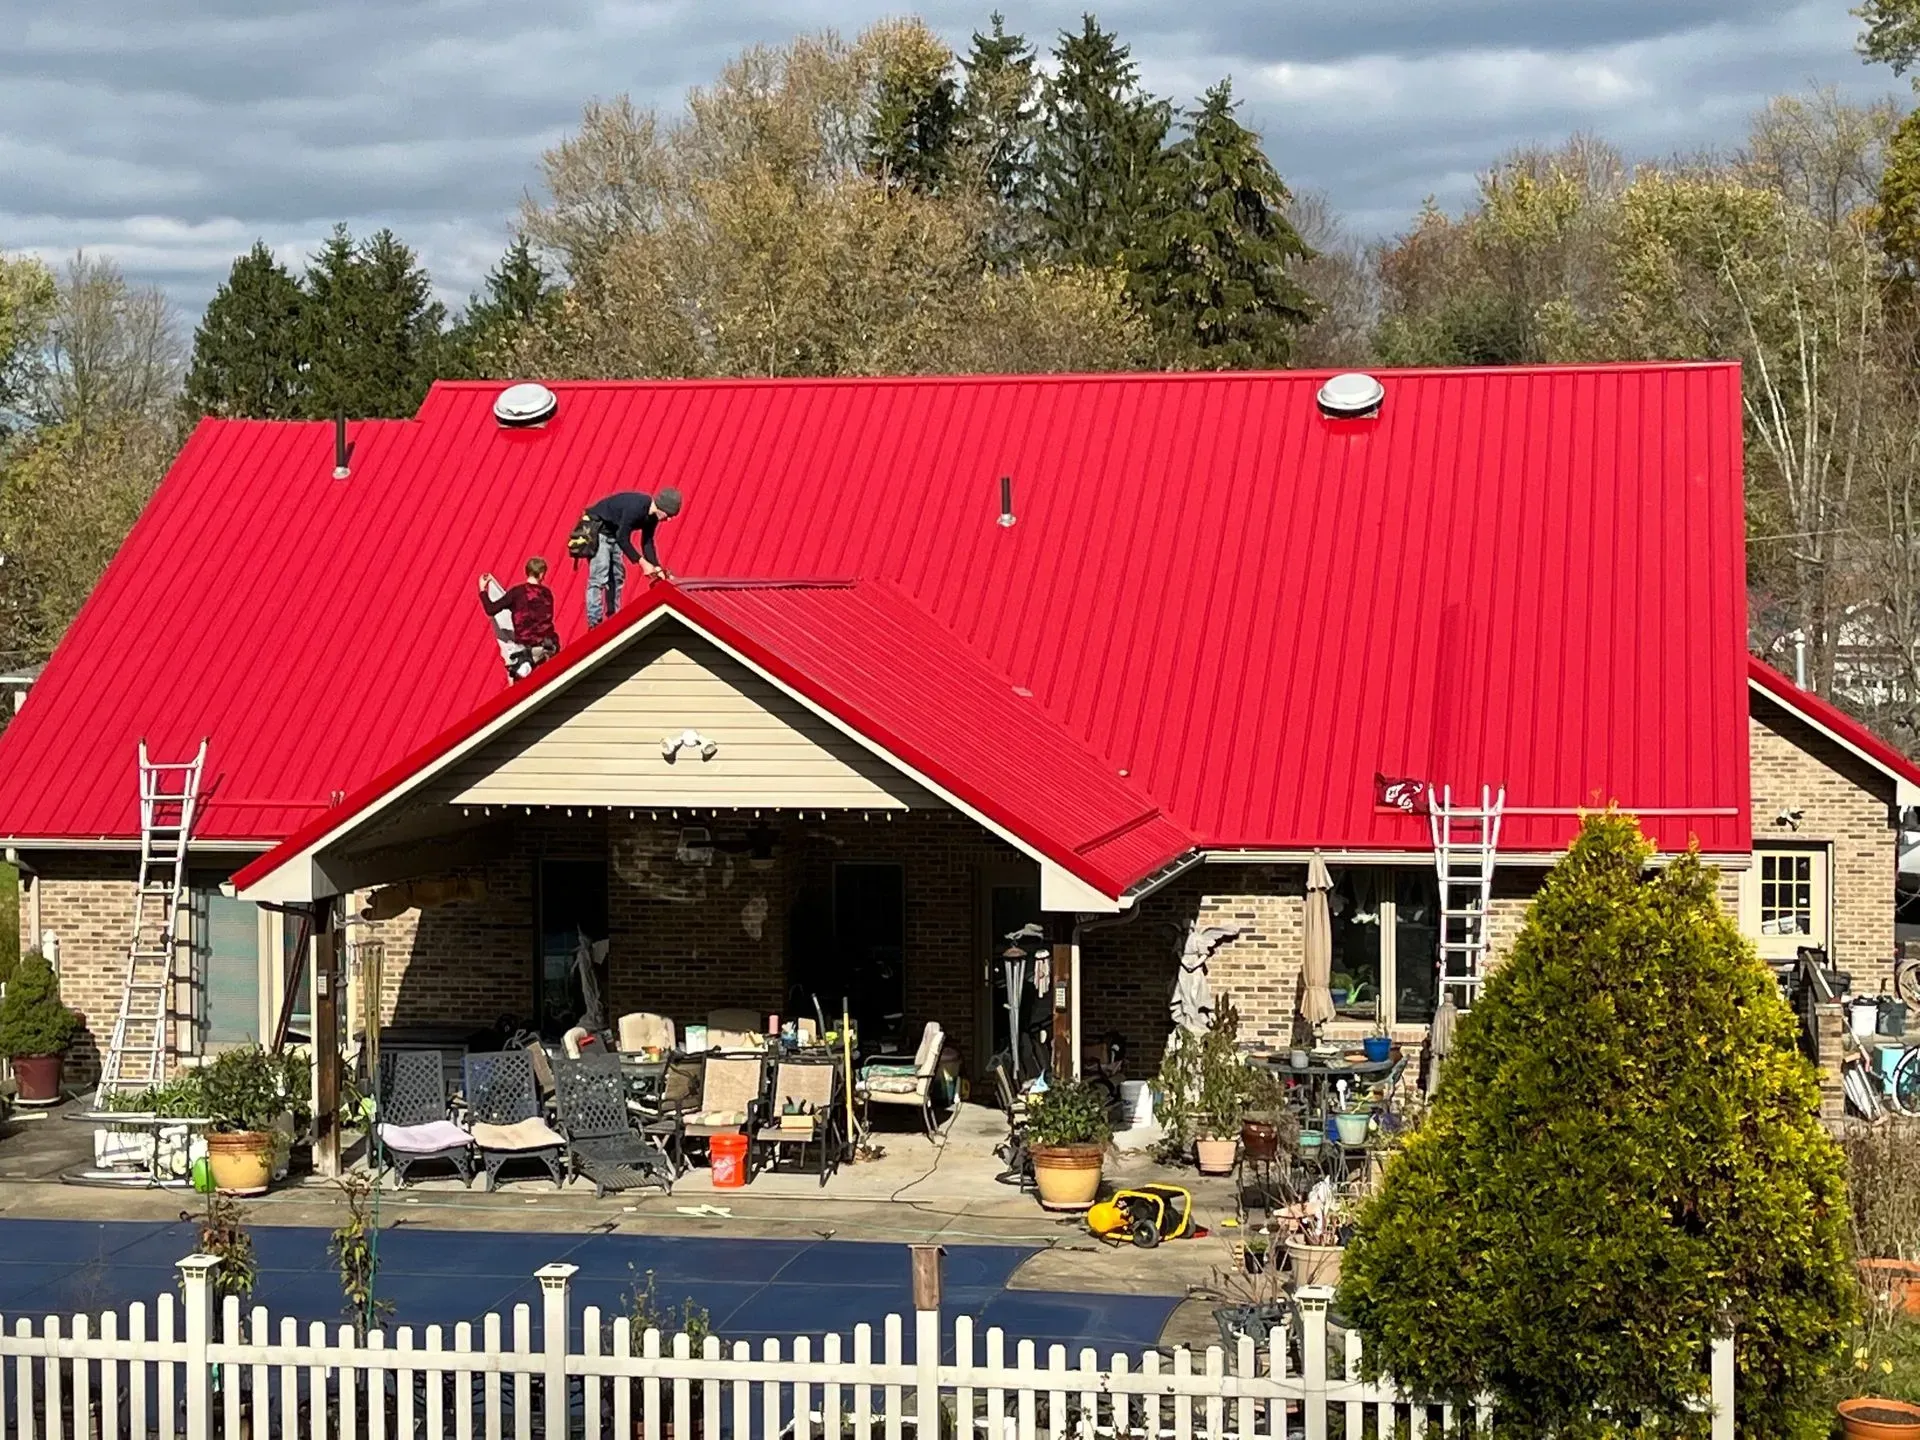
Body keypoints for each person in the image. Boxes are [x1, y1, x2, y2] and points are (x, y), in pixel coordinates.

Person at [583, 487, 682, 626]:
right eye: (669, 514)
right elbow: (623, 538)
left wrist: (657, 568)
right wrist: (642, 563)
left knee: (617, 578)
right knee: (600, 575)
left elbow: (647, 542)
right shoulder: (636, 508)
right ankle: (594, 621)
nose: (669, 519)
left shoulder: (652, 518)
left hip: (615, 534)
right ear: (662, 507)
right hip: (599, 531)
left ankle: (613, 618)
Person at [478, 556, 560, 673]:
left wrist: (482, 590)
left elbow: (491, 609)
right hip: (547, 643)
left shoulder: (517, 592)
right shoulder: (547, 594)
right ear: (541, 574)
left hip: (526, 644)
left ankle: (525, 663)